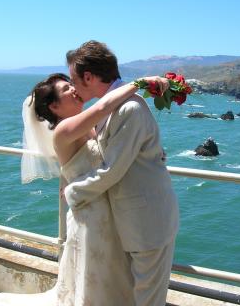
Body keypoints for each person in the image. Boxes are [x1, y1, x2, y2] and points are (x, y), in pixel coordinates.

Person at [0, 72, 170, 306]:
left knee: (113, 276)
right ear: (54, 106)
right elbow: (104, 106)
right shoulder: (64, 130)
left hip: (107, 210)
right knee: (99, 280)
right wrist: (140, 83)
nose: (73, 89)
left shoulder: (86, 126)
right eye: (65, 90)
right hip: (92, 216)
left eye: (71, 85)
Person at [65, 40, 179, 306]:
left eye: (73, 79)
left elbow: (111, 170)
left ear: (89, 77)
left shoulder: (130, 108)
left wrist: (72, 191)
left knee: (148, 300)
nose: (72, 85)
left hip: (148, 223)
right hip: (132, 221)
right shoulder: (116, 106)